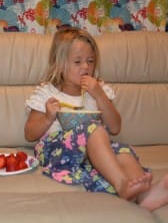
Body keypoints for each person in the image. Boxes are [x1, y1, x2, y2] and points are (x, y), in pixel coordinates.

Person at [24, 27, 168, 211]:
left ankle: (143, 194)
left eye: (90, 61)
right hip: (56, 149)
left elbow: (115, 128)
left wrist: (99, 95)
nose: (85, 67)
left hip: (95, 150)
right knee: (95, 129)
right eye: (77, 62)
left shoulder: (99, 89)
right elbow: (29, 134)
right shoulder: (47, 92)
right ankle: (122, 184)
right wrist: (47, 118)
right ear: (59, 64)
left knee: (122, 151)